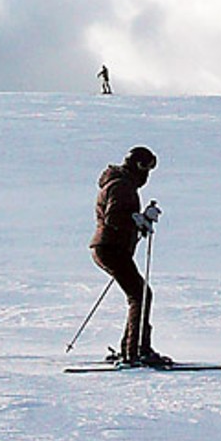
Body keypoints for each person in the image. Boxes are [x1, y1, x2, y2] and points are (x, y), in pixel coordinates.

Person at [89, 146, 169, 366]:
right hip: (110, 248)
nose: (148, 175)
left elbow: (121, 218)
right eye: (147, 168)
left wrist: (141, 221)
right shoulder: (122, 185)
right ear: (138, 166)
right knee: (140, 296)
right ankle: (134, 352)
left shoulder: (123, 183)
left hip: (110, 248)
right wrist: (139, 220)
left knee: (140, 294)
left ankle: (133, 348)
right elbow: (113, 218)